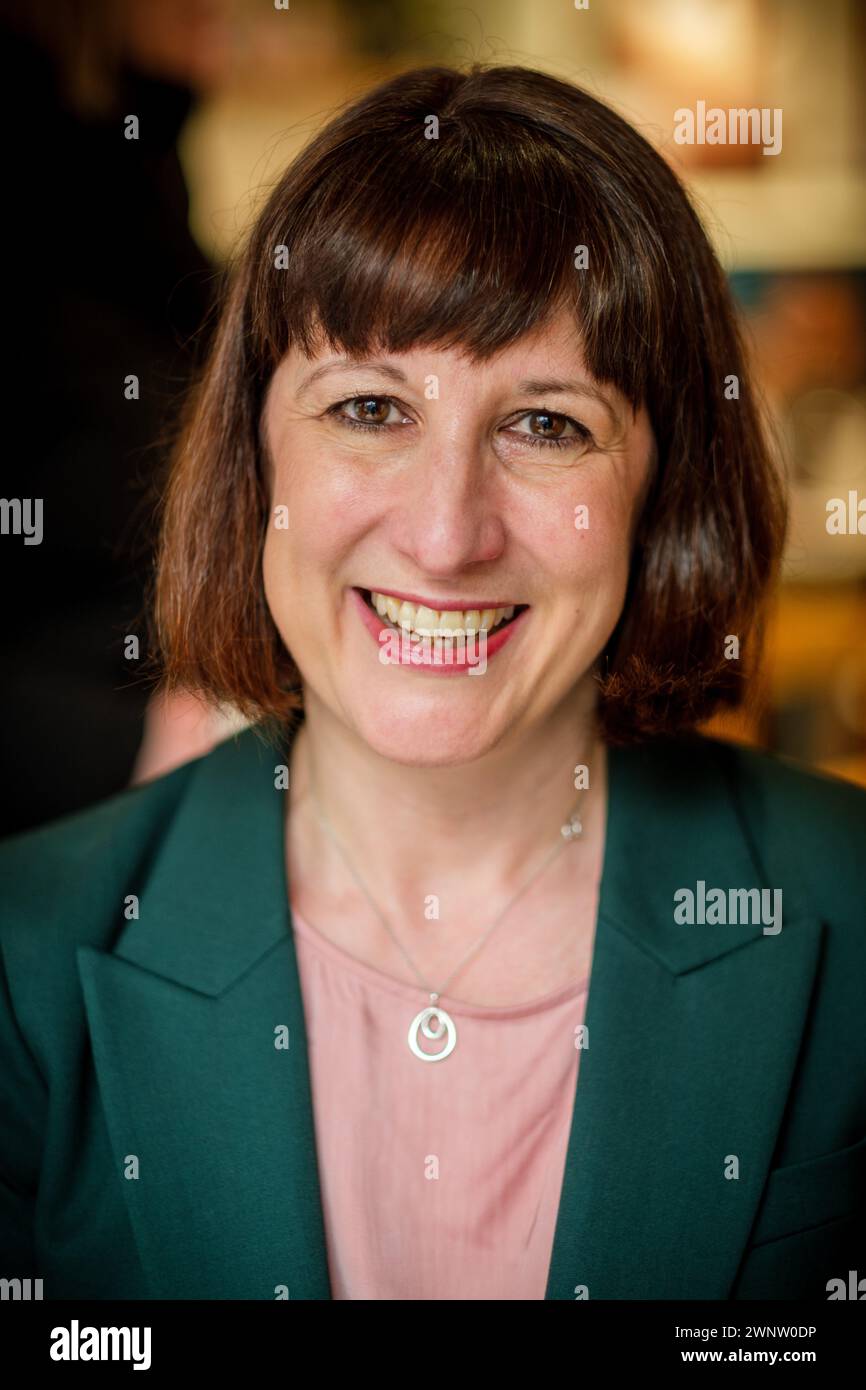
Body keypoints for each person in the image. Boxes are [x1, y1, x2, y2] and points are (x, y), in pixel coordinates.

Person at [1, 64, 864, 1302]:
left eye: (547, 424)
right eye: (368, 406)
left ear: (660, 487)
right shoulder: (22, 960)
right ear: (253, 462)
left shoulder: (849, 904)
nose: (446, 533)